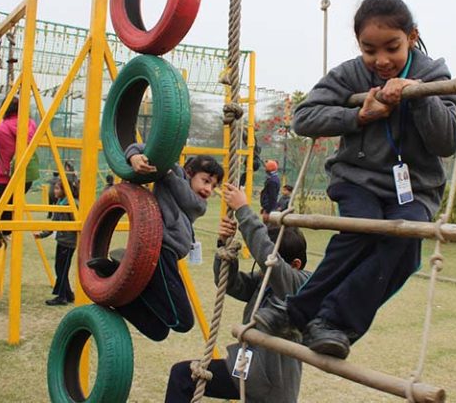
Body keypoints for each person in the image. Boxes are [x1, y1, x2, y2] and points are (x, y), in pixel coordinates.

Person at [255, 0, 456, 359]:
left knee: (404, 246)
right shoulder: (350, 74)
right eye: (369, 50)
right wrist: (358, 116)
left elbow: (446, 142)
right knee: (360, 230)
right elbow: (304, 118)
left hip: (413, 189)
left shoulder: (433, 74)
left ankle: (327, 321)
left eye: (392, 47)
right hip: (358, 180)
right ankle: (305, 315)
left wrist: (417, 94)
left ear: (412, 37)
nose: (381, 60)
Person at [164, 183, 309, 403]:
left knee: (183, 376)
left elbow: (268, 256)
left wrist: (243, 210)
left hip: (270, 383)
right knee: (183, 376)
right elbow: (231, 284)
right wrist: (224, 245)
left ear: (295, 264)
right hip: (249, 369)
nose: (262, 270)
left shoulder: (301, 285)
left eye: (266, 266)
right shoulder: (265, 282)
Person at [87, 144, 224, 342]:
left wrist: (166, 174)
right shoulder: (172, 171)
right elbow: (144, 146)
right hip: (159, 251)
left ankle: (115, 277)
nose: (209, 189)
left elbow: (192, 203)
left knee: (158, 331)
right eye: (206, 181)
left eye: (214, 186)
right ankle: (122, 273)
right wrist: (134, 157)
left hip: (169, 258)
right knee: (183, 321)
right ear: (189, 172)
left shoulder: (196, 203)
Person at [0, 97, 38, 255]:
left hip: (6, 176)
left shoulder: (1, 128)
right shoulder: (31, 124)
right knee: (10, 204)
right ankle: (6, 232)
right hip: (26, 176)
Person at [34, 180, 79, 306]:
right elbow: (54, 223)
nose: (54, 191)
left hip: (68, 243)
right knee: (60, 268)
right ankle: (68, 295)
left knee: (62, 269)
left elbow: (77, 223)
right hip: (61, 241)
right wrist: (42, 234)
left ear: (65, 190)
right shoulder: (60, 203)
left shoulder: (71, 204)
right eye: (55, 188)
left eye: (57, 188)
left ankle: (62, 297)